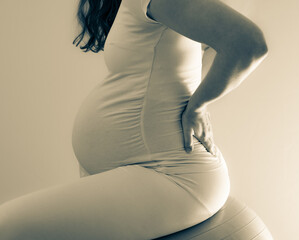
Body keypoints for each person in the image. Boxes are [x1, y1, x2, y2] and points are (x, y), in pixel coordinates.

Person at [0, 0, 268, 239]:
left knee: (6, 227)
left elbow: (249, 44)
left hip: (171, 175)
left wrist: (199, 106)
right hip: (143, 167)